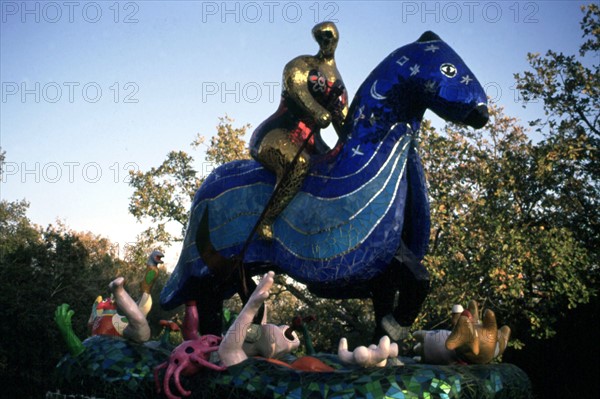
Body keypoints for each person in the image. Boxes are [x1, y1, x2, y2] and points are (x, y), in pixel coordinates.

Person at [249, 21, 348, 239]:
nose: (326, 42)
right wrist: (315, 110)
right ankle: (266, 219)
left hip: (313, 143)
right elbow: (294, 86)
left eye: (329, 38)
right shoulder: (302, 64)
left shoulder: (338, 83)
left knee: (335, 169)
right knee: (298, 164)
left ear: (336, 39)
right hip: (279, 133)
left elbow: (343, 123)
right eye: (321, 38)